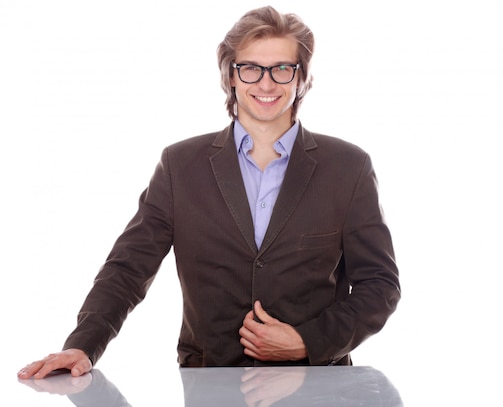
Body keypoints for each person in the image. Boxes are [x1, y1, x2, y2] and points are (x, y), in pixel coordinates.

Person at [17, 5, 401, 380]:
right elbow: (129, 268)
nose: (266, 84)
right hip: (210, 381)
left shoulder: (349, 167)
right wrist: (84, 344)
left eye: (283, 68)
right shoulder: (180, 166)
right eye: (250, 68)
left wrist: (305, 341)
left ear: (301, 77)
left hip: (320, 385)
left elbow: (380, 286)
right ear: (230, 76)